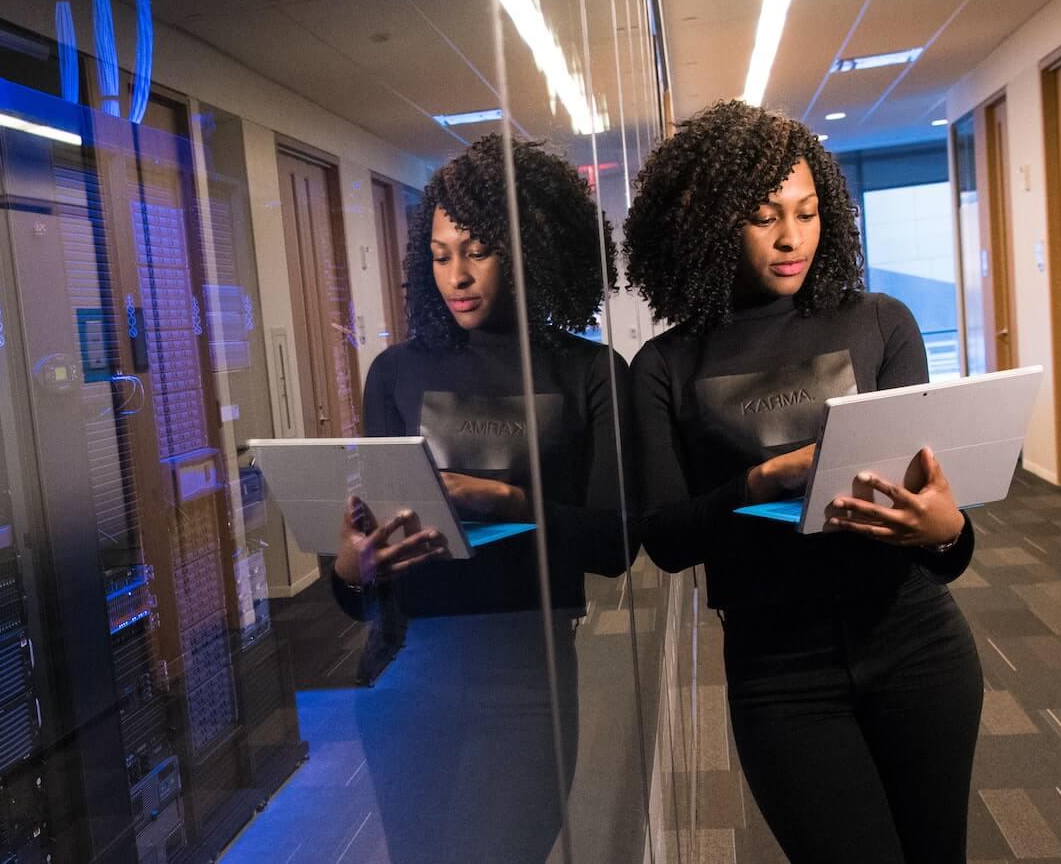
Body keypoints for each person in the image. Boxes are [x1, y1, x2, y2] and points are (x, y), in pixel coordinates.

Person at [623, 100, 981, 864]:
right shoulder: (666, 364)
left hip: (916, 641)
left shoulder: (882, 322)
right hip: (779, 670)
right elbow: (665, 537)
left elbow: (937, 533)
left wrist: (947, 530)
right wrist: (757, 481)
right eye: (764, 216)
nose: (793, 238)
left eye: (809, 211)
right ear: (714, 224)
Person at [323, 134, 633, 864]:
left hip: (526, 677)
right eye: (438, 255)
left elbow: (616, 544)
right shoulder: (394, 372)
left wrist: (502, 497)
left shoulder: (589, 371)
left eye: (477, 251)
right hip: (404, 672)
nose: (455, 276)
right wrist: (349, 566)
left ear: (529, 251)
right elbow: (362, 592)